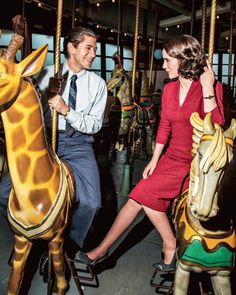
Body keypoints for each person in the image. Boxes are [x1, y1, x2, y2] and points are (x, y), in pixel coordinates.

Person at [77, 34, 225, 271]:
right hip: (171, 158)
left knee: (141, 195)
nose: (163, 66)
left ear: (184, 59)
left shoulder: (208, 86)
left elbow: (216, 124)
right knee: (136, 199)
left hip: (195, 162)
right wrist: (155, 159)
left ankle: (166, 245)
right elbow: (164, 125)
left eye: (168, 60)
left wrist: (208, 87)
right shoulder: (169, 89)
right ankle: (102, 251)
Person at [0, 26, 108, 250]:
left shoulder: (98, 84)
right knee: (2, 193)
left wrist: (67, 110)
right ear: (71, 48)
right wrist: (45, 96)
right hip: (44, 142)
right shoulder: (45, 74)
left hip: (79, 144)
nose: (93, 54)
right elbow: (29, 113)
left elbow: (96, 125)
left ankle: (65, 244)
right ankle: (28, 233)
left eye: (95, 49)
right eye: (88, 48)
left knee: (92, 203)